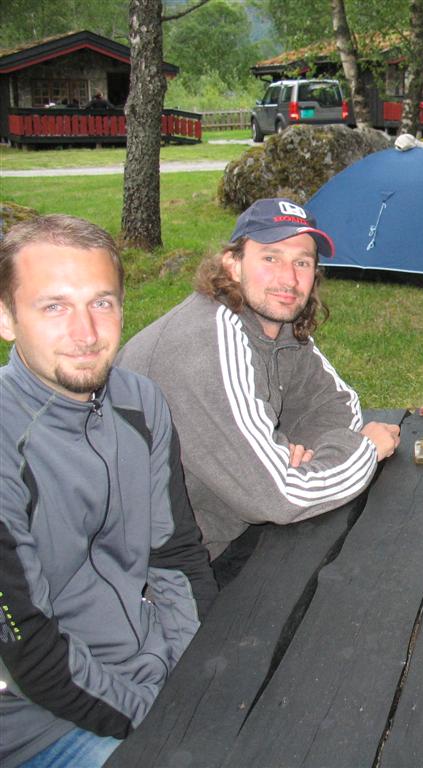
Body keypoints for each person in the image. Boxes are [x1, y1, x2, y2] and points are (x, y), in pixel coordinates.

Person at [0, 215, 217, 767]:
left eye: (101, 303)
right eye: (54, 307)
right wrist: (160, 715)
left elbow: (175, 555)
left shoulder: (140, 402)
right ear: (6, 317)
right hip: (41, 722)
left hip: (150, 667)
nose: (86, 333)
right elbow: (29, 648)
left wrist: (196, 671)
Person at [118, 198, 401, 580]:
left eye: (302, 262)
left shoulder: (275, 324)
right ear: (232, 264)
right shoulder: (208, 341)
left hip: (229, 531)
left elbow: (337, 404)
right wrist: (364, 450)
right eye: (271, 258)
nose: (289, 279)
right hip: (157, 575)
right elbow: (283, 496)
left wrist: (299, 458)